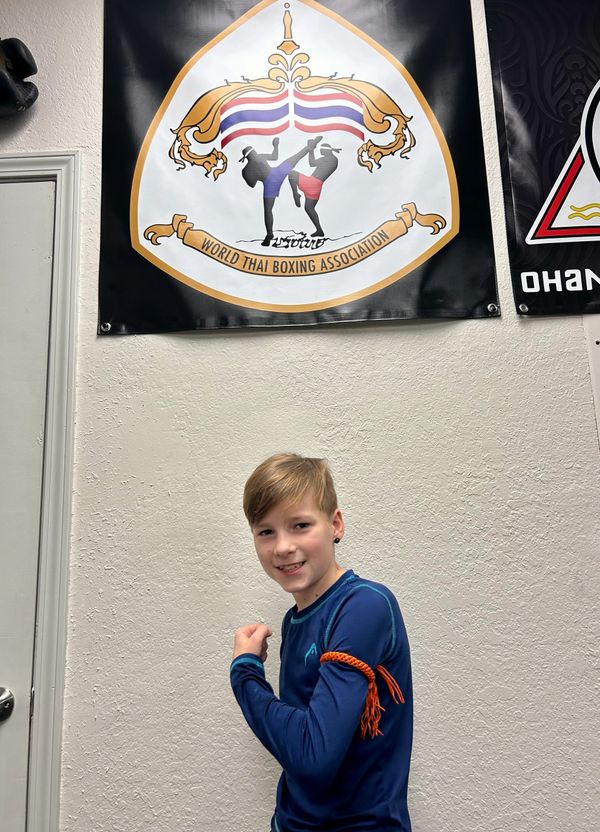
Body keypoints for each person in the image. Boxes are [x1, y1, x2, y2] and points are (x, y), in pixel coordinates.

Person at [230, 453, 413, 832]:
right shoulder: (293, 619)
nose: (282, 547)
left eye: (300, 525)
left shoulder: (364, 606)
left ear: (336, 524)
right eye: (266, 531)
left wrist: (245, 674)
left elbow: (314, 757)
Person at [240, 136, 323, 246]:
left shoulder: (246, 169)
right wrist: (275, 146)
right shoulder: (254, 162)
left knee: (268, 210)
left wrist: (250, 172)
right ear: (252, 154)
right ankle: (310, 147)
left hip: (270, 182)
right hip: (276, 174)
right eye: (254, 152)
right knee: (297, 156)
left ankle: (269, 235)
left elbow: (252, 184)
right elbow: (274, 157)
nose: (256, 153)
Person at [288, 143, 341, 238]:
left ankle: (295, 194)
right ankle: (319, 230)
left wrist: (311, 148)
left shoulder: (327, 158)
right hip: (317, 188)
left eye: (321, 150)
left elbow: (312, 163)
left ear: (326, 150)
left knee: (292, 174)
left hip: (311, 183)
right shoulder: (334, 160)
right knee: (309, 208)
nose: (320, 152)